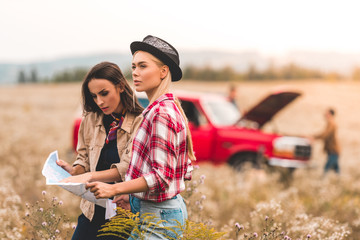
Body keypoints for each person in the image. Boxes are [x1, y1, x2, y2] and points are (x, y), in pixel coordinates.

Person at [86, 35, 195, 239]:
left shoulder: (161, 113)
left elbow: (161, 177)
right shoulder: (158, 109)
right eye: (134, 66)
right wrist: (131, 196)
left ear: (163, 71)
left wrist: (114, 189)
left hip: (160, 218)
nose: (135, 72)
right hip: (153, 212)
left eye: (143, 66)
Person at [56, 61, 144, 240]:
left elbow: (128, 167)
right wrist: (75, 171)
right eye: (94, 96)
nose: (100, 101)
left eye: (104, 93)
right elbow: (84, 157)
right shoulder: (90, 118)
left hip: (123, 211)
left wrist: (89, 176)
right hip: (92, 210)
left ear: (120, 86)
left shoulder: (139, 121)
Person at [313, 108, 340, 175]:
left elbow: (325, 134)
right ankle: (338, 181)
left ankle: (323, 181)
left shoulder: (331, 123)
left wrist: (314, 137)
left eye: (327, 113)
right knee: (336, 169)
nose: (325, 114)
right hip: (333, 150)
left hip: (333, 150)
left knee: (327, 167)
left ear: (330, 114)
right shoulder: (331, 123)